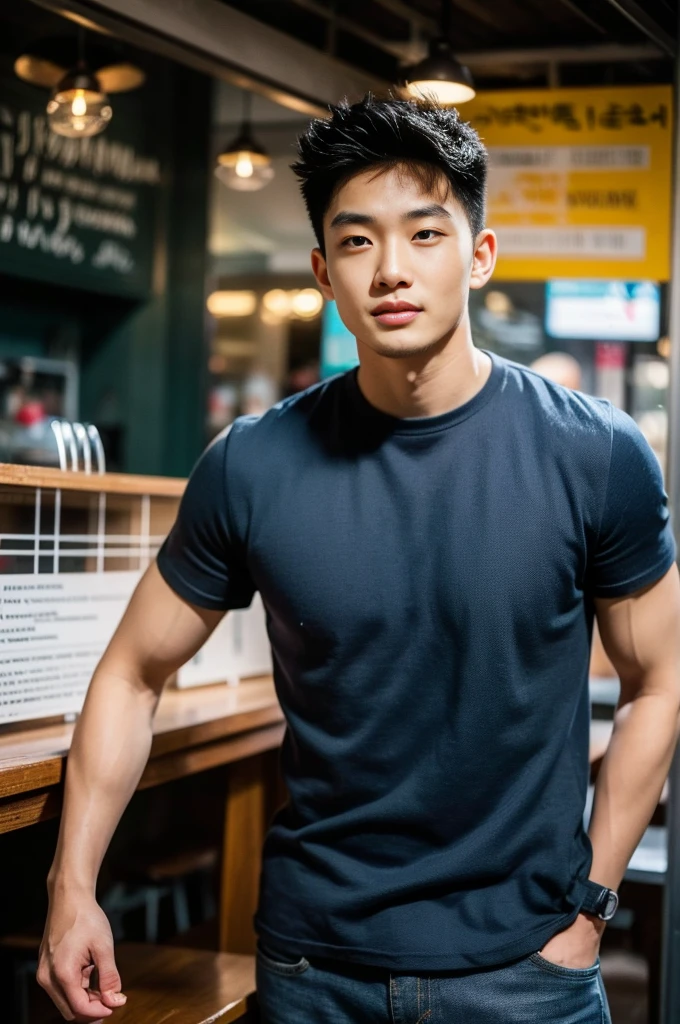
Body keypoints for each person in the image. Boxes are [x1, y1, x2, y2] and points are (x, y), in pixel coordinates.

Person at [39, 95, 680, 1024]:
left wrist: (592, 906)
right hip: (314, 968)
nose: (391, 270)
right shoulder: (252, 462)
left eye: (425, 233)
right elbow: (132, 675)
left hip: (526, 971)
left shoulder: (596, 453)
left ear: (481, 255)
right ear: (323, 273)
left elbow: (657, 683)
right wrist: (71, 887)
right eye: (357, 242)